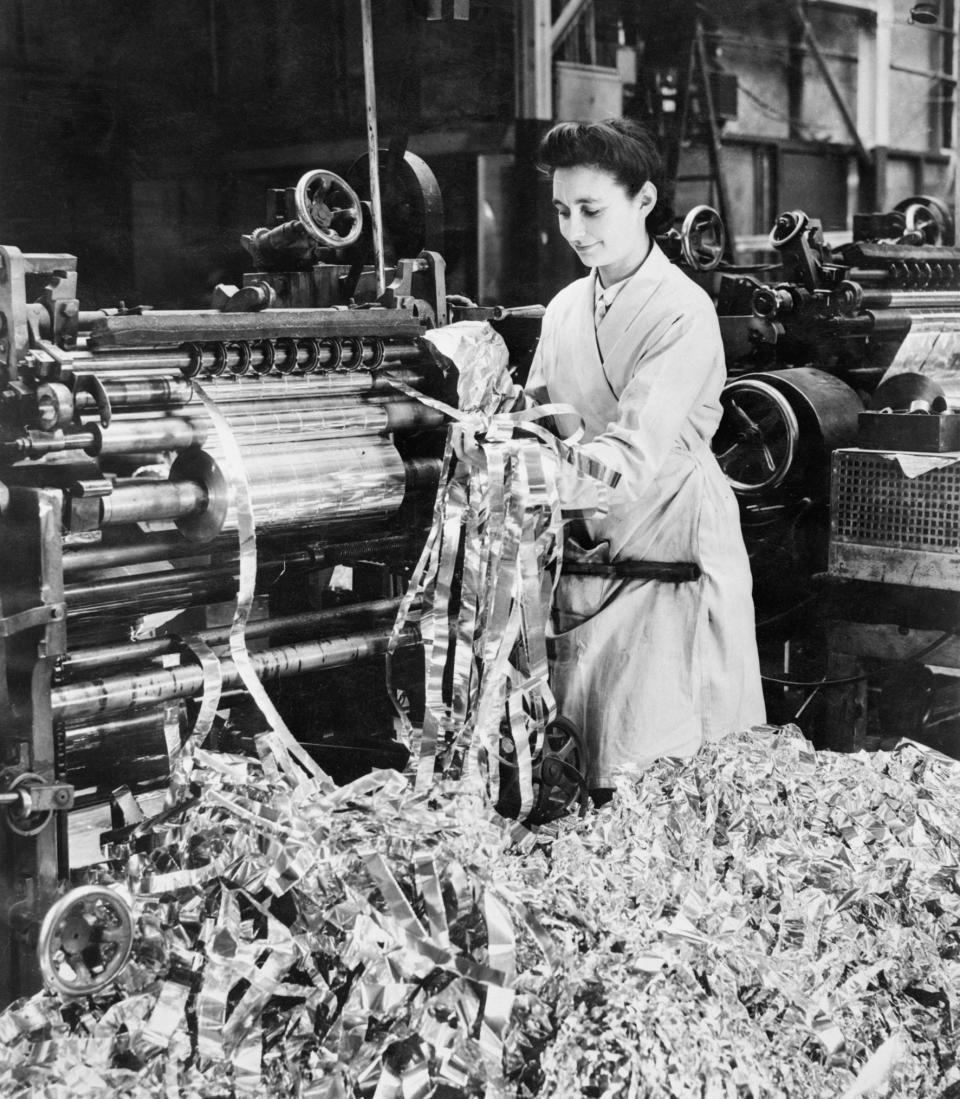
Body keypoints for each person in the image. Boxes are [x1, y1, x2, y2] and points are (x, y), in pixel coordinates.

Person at [522, 117, 766, 798]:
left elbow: (632, 453)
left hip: (672, 534)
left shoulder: (682, 311)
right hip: (595, 543)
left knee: (670, 751)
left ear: (646, 202)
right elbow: (538, 410)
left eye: (592, 209)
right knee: (594, 732)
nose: (575, 229)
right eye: (564, 211)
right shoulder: (566, 308)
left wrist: (530, 475)